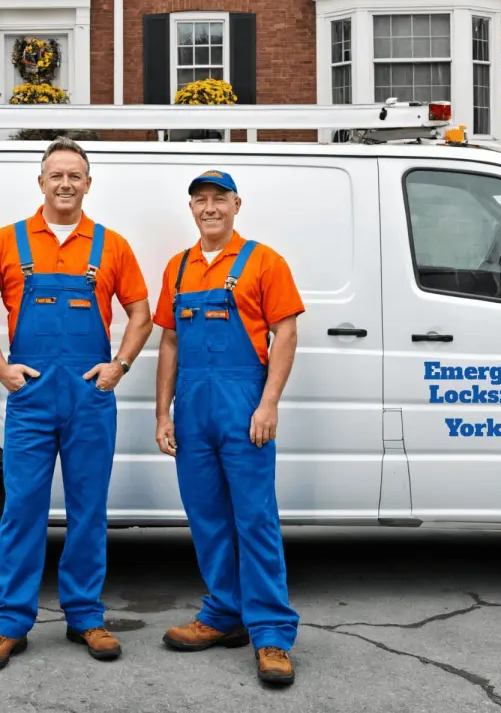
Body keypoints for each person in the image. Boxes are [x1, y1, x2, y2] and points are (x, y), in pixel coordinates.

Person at [0, 137, 152, 670]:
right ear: (40, 182)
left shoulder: (112, 246)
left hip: (91, 397)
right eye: (56, 175)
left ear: (88, 184)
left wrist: (120, 366)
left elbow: (140, 313)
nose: (65, 183)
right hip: (32, 398)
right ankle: (8, 624)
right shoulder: (6, 242)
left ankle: (86, 616)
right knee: (22, 508)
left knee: (89, 510)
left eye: (75, 175)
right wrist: (2, 368)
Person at [153, 169, 304, 686]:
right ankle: (223, 614)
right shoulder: (178, 269)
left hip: (244, 406)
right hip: (193, 407)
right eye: (201, 199)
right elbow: (169, 344)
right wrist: (162, 412)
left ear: (237, 204)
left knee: (255, 520)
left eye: (220, 198)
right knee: (207, 517)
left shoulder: (265, 261)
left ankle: (272, 635)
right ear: (191, 208)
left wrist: (268, 404)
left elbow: (286, 332)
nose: (210, 207)